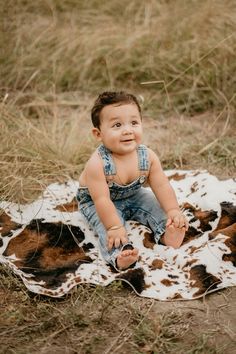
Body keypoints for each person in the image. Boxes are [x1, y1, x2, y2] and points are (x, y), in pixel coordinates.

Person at [77, 91, 188, 271]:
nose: (128, 130)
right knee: (107, 228)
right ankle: (120, 254)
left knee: (155, 205)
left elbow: (161, 185)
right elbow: (102, 200)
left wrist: (173, 209)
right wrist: (114, 226)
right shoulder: (97, 164)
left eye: (134, 123)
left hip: (134, 195)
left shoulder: (148, 156)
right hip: (97, 202)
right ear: (98, 134)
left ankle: (169, 233)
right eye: (117, 125)